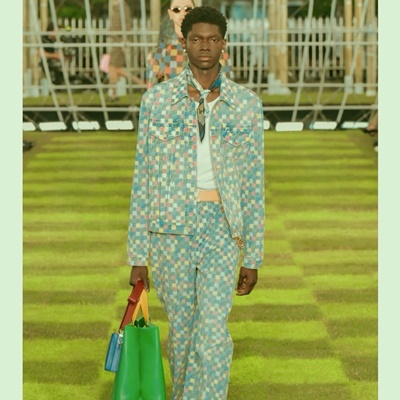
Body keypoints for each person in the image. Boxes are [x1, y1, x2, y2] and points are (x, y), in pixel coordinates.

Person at [127, 6, 265, 399]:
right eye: (196, 39)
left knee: (213, 332)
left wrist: (253, 255)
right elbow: (142, 178)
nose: (205, 46)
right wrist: (138, 254)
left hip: (222, 227)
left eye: (212, 39)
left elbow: (253, 183)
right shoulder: (157, 101)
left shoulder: (247, 104)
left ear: (223, 44)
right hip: (169, 229)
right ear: (184, 43)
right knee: (184, 333)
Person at [146, 0, 233, 88]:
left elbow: (229, 89)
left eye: (188, 9)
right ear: (170, 14)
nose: (182, 13)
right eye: (176, 9)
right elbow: (151, 92)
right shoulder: (158, 53)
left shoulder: (217, 49)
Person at [107, 0, 144, 101]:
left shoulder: (123, 8)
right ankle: (143, 85)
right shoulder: (117, 8)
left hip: (119, 42)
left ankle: (114, 93)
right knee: (116, 69)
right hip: (116, 41)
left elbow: (127, 25)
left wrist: (125, 41)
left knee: (114, 67)